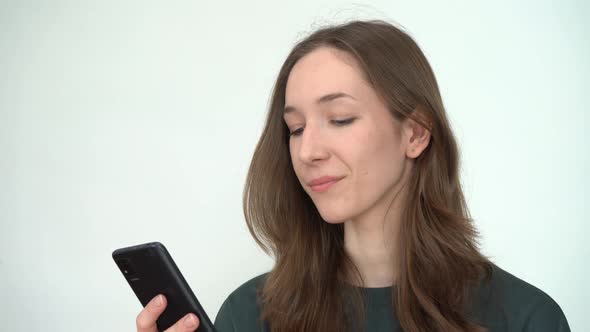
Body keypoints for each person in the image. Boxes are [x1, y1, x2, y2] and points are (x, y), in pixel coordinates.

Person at [134, 20, 570, 332]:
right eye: (296, 128)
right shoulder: (250, 315)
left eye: (340, 118)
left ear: (415, 133)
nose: (308, 151)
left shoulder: (525, 318)